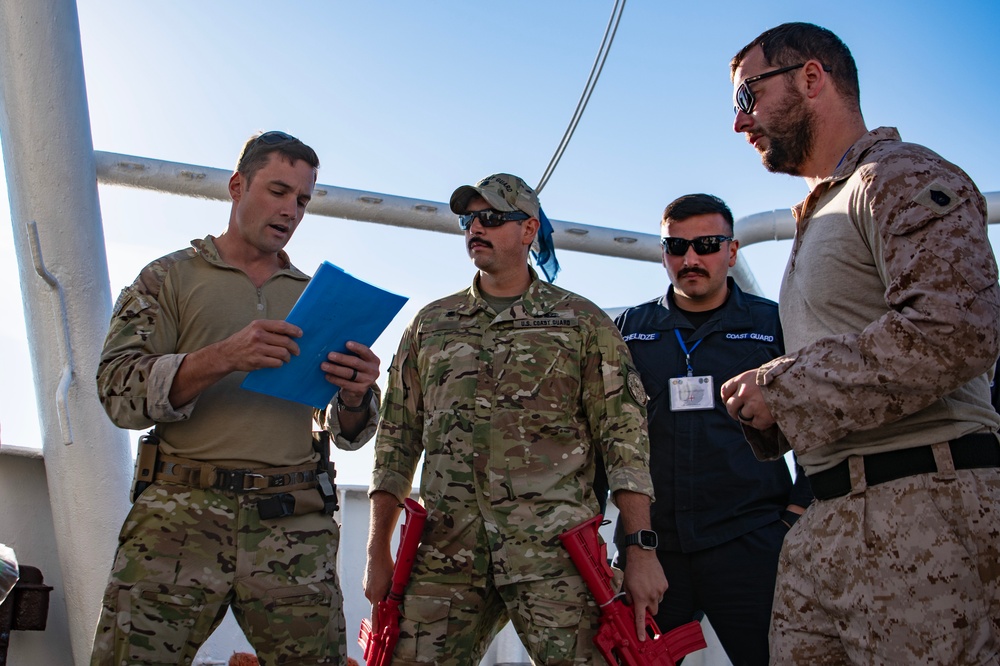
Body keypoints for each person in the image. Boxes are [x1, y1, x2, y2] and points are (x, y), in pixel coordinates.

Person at [723, 22, 1000, 665]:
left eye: (747, 99)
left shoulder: (898, 176)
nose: (741, 124)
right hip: (827, 522)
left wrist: (785, 388)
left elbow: (954, 328)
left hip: (922, 514)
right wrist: (773, 385)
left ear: (811, 78)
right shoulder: (822, 211)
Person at [90, 131, 381, 665]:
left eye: (302, 200)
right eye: (277, 191)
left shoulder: (317, 297)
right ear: (237, 185)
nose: (290, 210)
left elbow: (350, 432)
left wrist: (358, 394)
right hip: (179, 517)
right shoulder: (167, 278)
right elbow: (117, 391)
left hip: (292, 522)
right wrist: (220, 357)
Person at [364, 173, 667, 665]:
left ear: (529, 230)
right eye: (469, 219)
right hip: (446, 555)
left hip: (555, 557)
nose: (475, 228)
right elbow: (397, 440)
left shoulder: (581, 322)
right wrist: (379, 551)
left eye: (492, 218)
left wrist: (641, 549)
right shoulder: (431, 325)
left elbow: (624, 442)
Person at [612, 193, 812, 665]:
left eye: (706, 244)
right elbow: (605, 435)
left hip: (752, 543)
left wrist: (797, 515)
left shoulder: (774, 325)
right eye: (676, 247)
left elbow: (816, 420)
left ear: (732, 251)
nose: (690, 259)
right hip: (654, 551)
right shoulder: (627, 331)